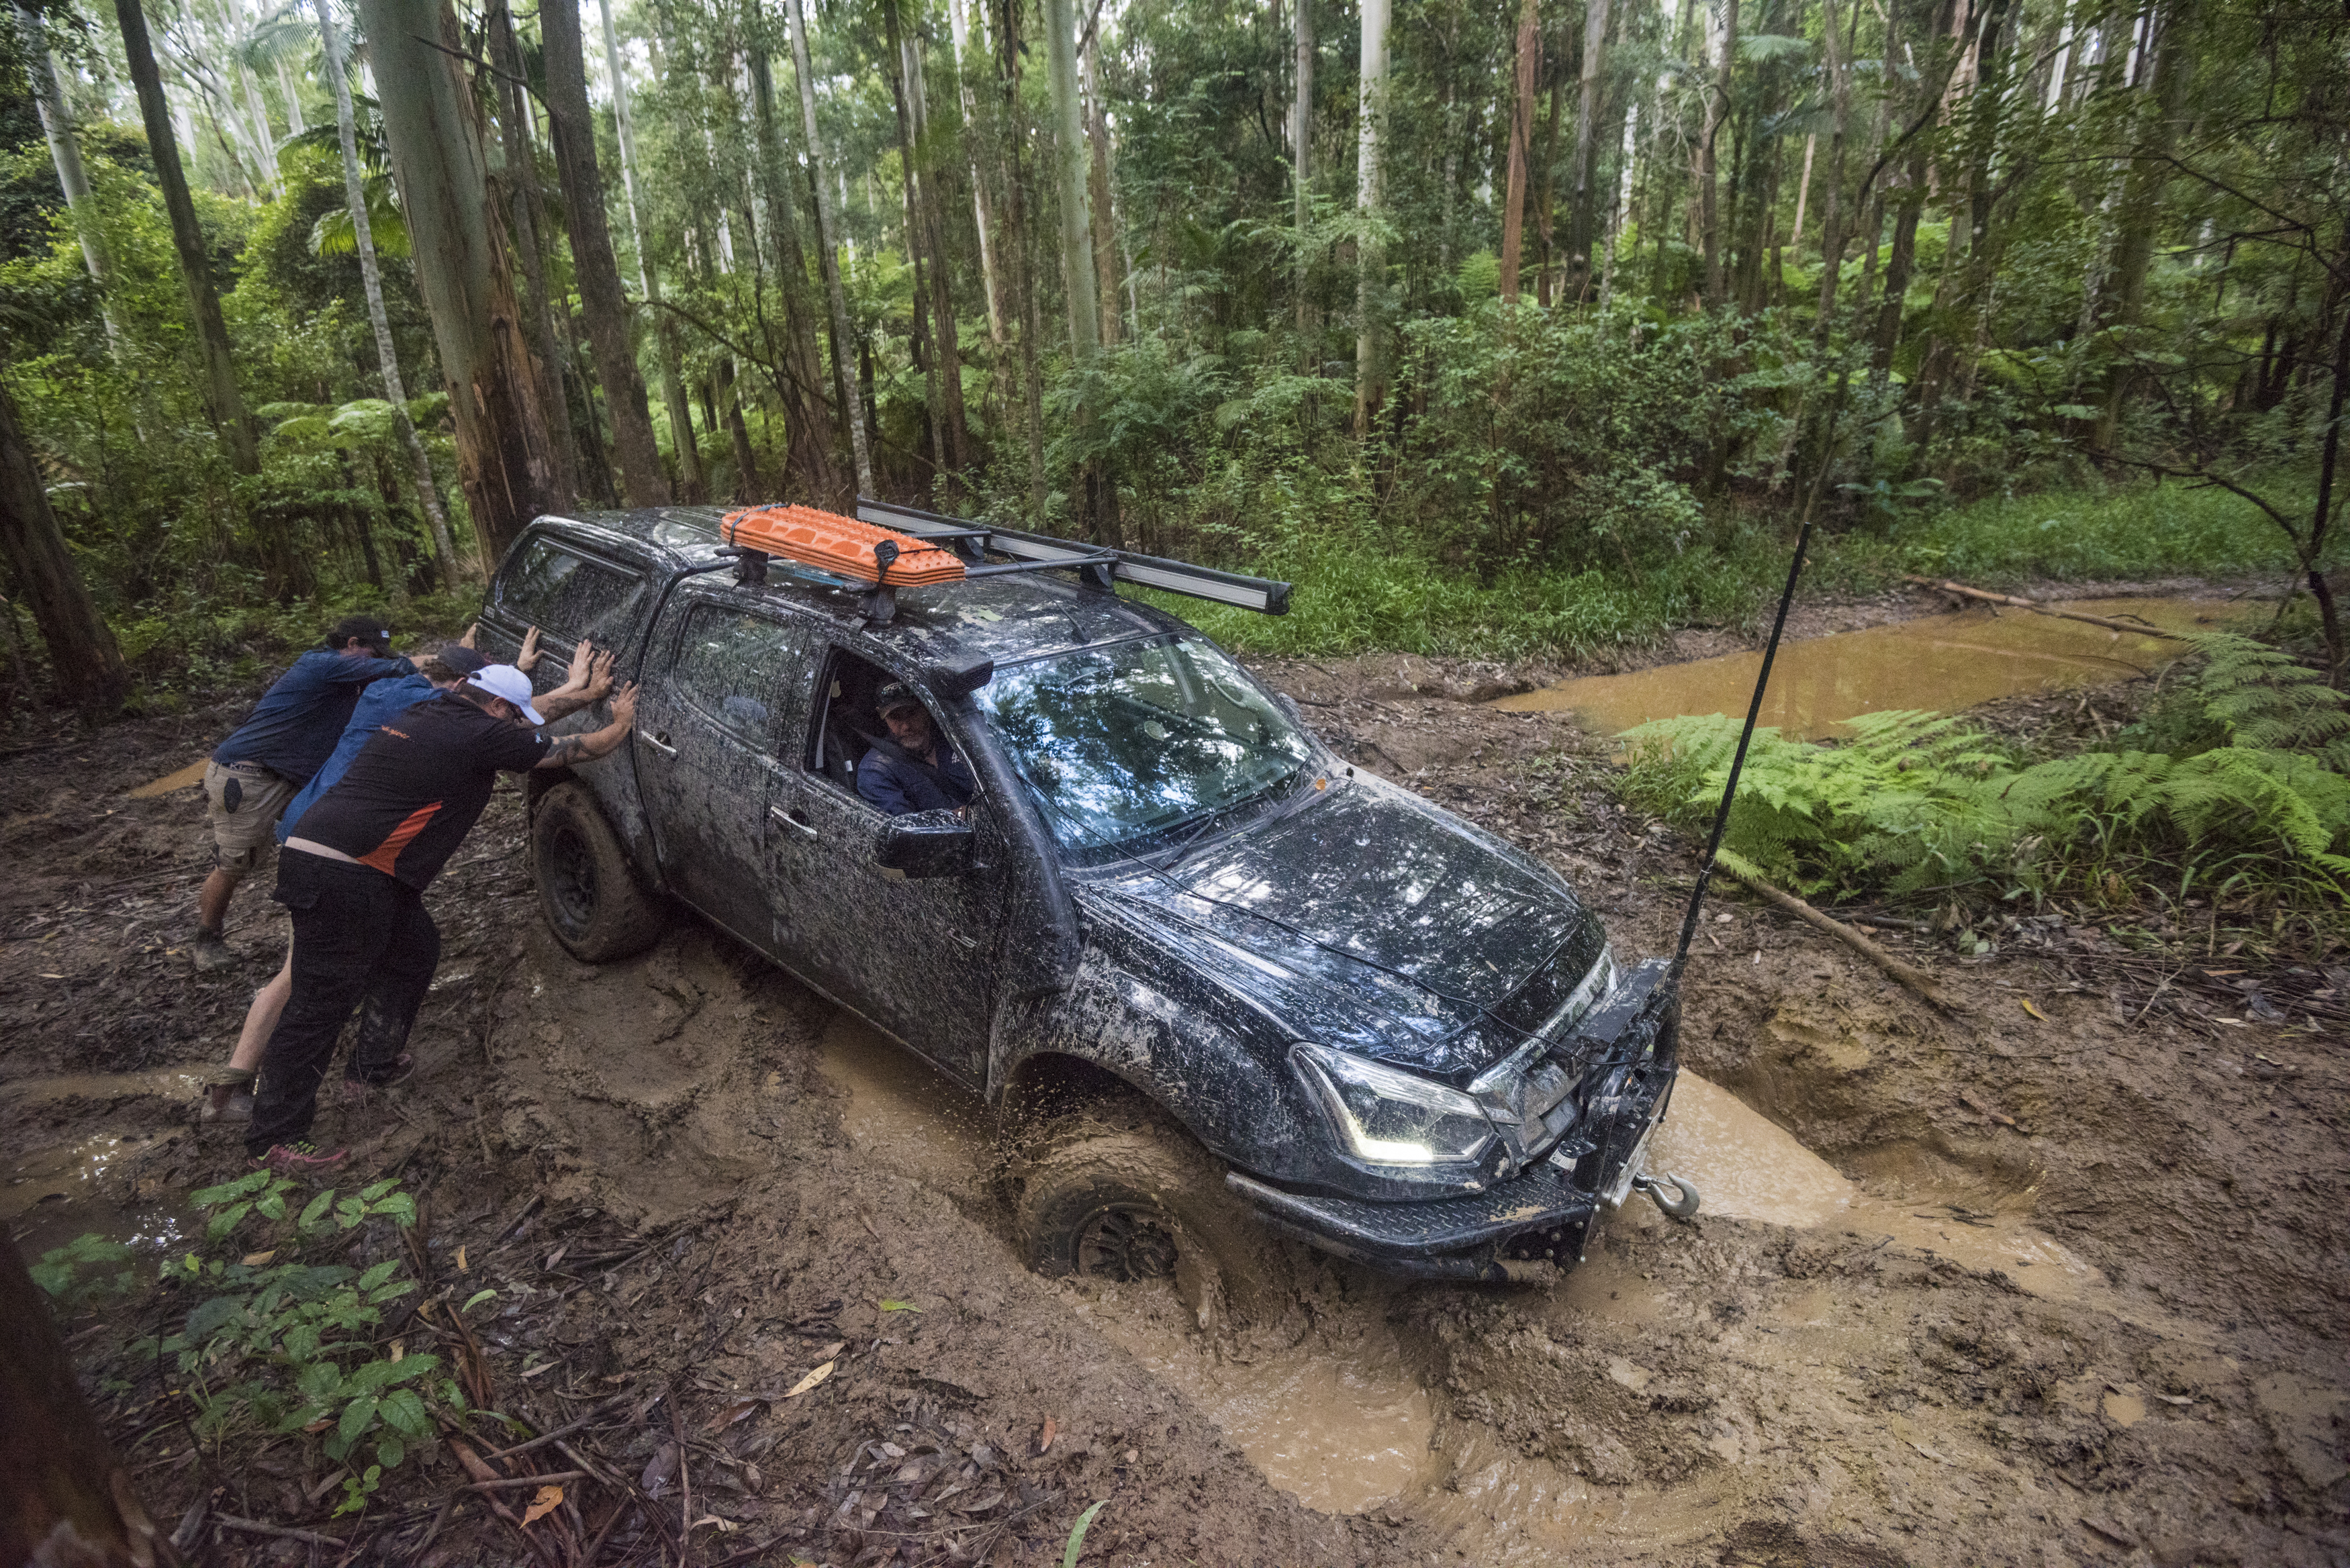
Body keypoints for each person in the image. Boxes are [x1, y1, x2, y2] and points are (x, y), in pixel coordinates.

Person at [201, 633, 614, 1122]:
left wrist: (543, 678)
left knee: (409, 951)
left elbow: (510, 719)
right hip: (345, 852)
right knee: (312, 985)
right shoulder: (446, 716)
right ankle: (254, 1113)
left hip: (331, 832)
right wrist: (587, 697)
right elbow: (524, 734)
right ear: (467, 688)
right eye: (509, 709)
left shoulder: (414, 700)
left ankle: (369, 1065)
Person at [193, 616, 413, 971]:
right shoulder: (322, 664)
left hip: (292, 778)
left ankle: (337, 932)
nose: (378, 662)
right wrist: (409, 664)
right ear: (353, 644)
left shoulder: (346, 673)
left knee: (329, 843)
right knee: (235, 863)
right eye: (374, 654)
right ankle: (207, 937)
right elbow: (400, 668)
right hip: (249, 776)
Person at [856, 683, 976, 816]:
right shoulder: (876, 770)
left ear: (926, 707)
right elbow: (905, 830)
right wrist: (966, 815)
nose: (906, 726)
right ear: (882, 716)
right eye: (895, 718)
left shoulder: (959, 740)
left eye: (911, 713)